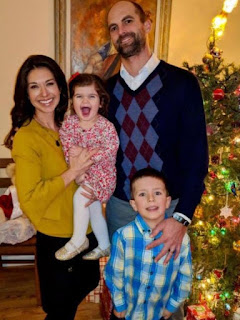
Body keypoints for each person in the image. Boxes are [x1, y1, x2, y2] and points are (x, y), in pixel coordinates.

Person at [4, 55, 100, 320]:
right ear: (26, 93)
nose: (44, 93)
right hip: (58, 236)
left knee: (87, 283)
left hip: (86, 227)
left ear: (60, 87)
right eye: (34, 86)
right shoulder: (26, 137)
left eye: (49, 84)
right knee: (59, 309)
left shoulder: (68, 125)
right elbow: (31, 200)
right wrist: (73, 172)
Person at [104, 168, 192, 320]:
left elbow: (185, 276)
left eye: (157, 193)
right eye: (142, 194)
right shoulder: (123, 236)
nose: (151, 199)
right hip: (126, 313)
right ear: (134, 204)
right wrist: (119, 304)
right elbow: (114, 273)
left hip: (160, 314)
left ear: (168, 201)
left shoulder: (181, 239)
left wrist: (172, 306)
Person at [55, 73, 119, 261]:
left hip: (103, 176)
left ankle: (78, 240)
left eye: (91, 96)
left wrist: (84, 155)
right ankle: (105, 245)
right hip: (81, 174)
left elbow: (110, 149)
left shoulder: (105, 127)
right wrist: (77, 169)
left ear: (100, 102)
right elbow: (67, 149)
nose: (85, 100)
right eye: (79, 96)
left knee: (80, 197)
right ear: (72, 101)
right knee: (94, 209)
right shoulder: (69, 124)